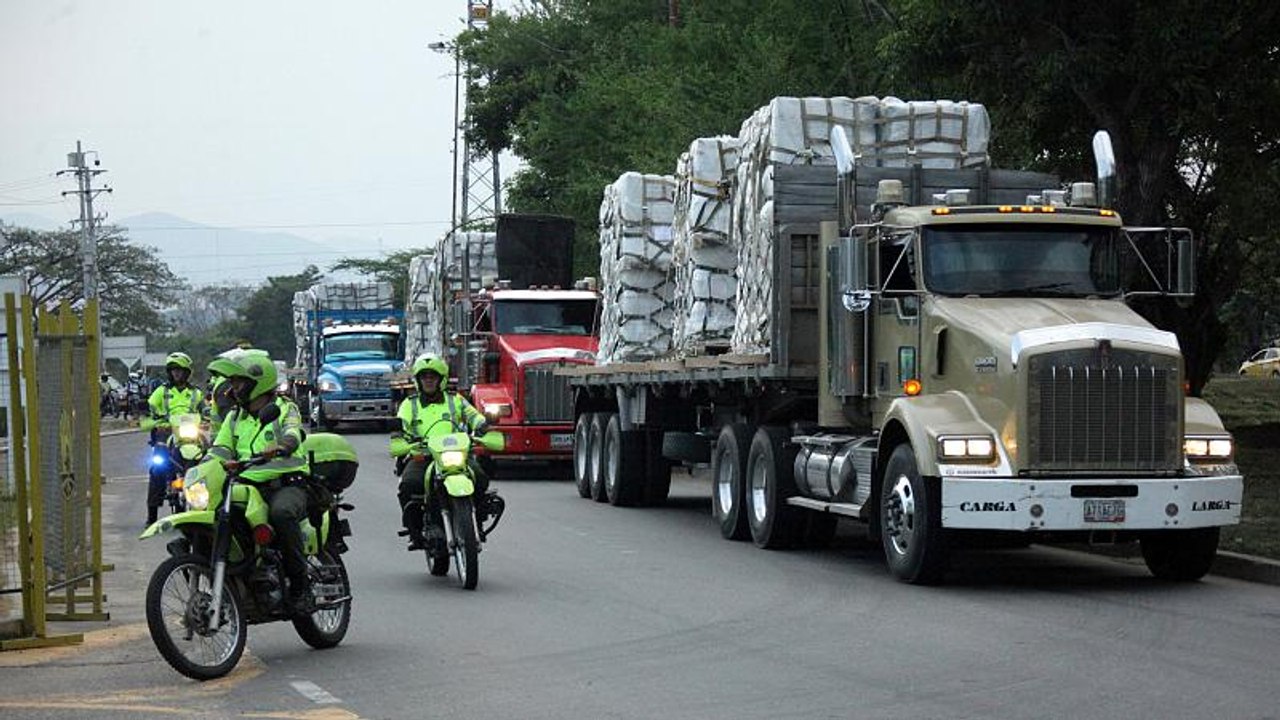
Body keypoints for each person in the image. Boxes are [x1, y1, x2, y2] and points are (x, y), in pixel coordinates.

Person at [204, 349, 313, 612]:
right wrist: (201, 465)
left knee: (281, 514)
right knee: (220, 518)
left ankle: (301, 588)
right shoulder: (235, 417)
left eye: (238, 383)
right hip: (246, 486)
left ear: (257, 383)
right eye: (232, 383)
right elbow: (220, 449)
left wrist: (282, 445)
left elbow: (294, 432)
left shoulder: (285, 408)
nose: (233, 389)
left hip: (286, 484)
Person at [388, 353, 489, 550]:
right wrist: (399, 434)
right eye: (424, 377)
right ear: (418, 380)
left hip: (456, 453)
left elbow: (473, 416)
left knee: (480, 477)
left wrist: (482, 424)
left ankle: (477, 521)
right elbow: (401, 422)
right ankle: (415, 532)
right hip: (424, 455)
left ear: (441, 379)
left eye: (432, 376)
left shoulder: (455, 400)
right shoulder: (410, 404)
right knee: (408, 485)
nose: (428, 380)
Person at [140, 352, 206, 526]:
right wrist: (154, 420)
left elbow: (206, 410)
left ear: (187, 372)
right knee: (157, 467)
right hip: (167, 432)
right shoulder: (162, 391)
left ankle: (203, 508)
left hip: (190, 433)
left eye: (180, 370)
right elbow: (148, 410)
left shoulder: (196, 393)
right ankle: (152, 515)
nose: (176, 373)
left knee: (205, 462)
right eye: (173, 370)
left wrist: (208, 419)